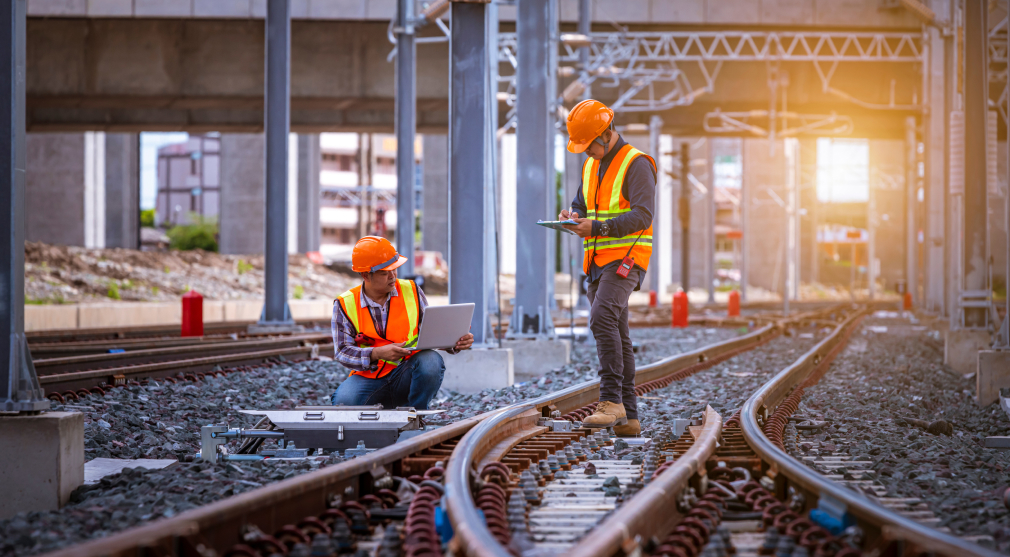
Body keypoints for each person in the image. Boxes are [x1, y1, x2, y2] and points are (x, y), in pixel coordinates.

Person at [559, 99, 656, 436]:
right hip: (597, 262)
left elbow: (643, 215)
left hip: (627, 259)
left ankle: (610, 400)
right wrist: (571, 217)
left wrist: (596, 228)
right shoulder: (590, 166)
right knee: (619, 331)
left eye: (589, 146)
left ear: (605, 134)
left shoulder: (636, 163)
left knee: (601, 319)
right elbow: (580, 203)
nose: (587, 153)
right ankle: (629, 417)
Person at [330, 236, 474, 409]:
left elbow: (430, 333)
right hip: (369, 377)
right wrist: (377, 353)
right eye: (385, 272)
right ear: (365, 275)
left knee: (430, 361)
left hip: (407, 372)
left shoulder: (411, 291)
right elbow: (342, 352)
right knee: (343, 402)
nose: (393, 276)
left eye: (395, 269)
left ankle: (416, 415)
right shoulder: (345, 304)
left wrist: (455, 342)